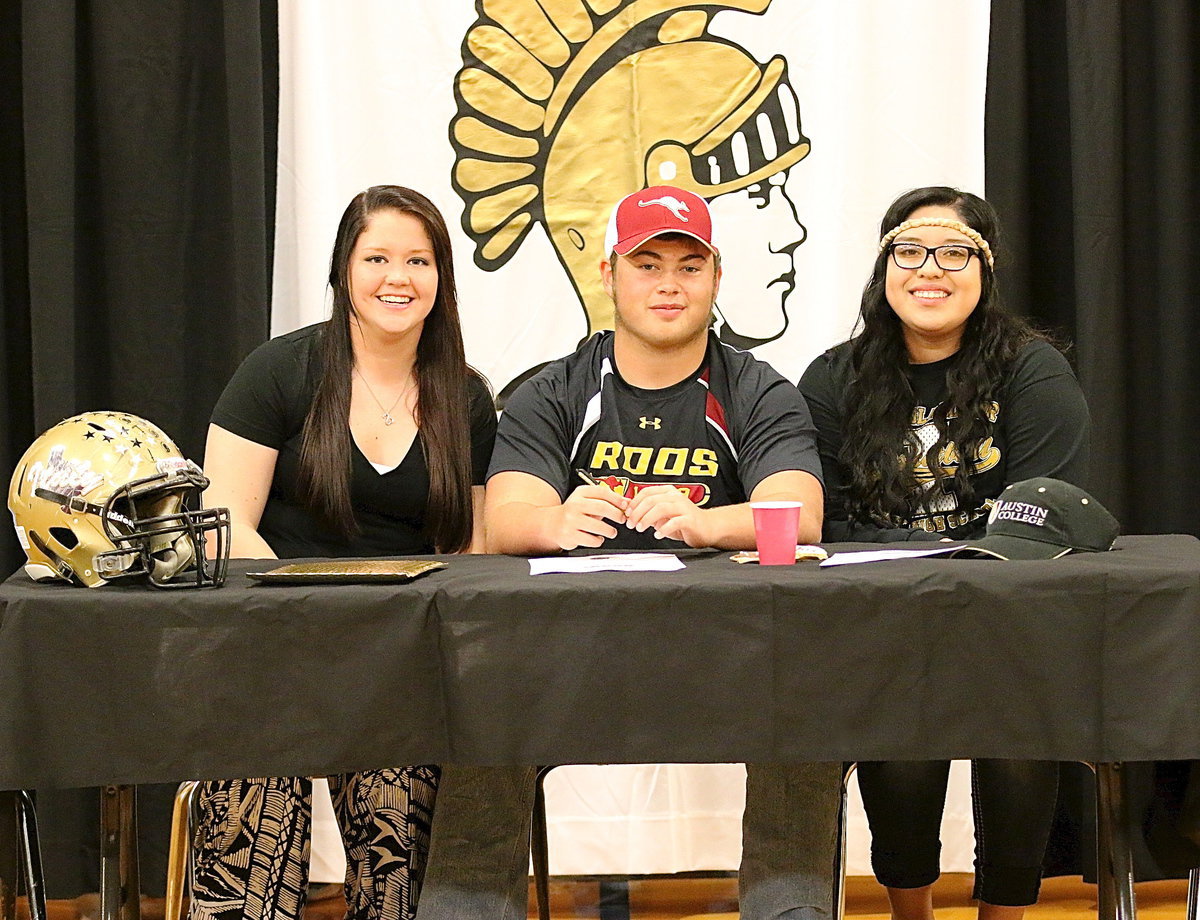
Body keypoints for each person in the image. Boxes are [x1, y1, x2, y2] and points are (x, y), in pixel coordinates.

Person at [416, 185, 840, 920]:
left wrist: (704, 522)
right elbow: (506, 521)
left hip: (727, 651)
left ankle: (789, 909)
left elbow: (800, 518)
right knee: (483, 691)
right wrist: (553, 520)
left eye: (688, 266)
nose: (669, 285)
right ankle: (463, 908)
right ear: (609, 275)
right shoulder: (557, 389)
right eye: (647, 265)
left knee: (806, 687)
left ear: (715, 278)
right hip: (569, 649)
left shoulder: (756, 389)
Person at [191, 185, 497, 920]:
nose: (399, 277)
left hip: (397, 658)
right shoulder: (279, 371)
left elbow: (471, 547)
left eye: (419, 260)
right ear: (342, 270)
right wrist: (307, 621)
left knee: (402, 825)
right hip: (270, 643)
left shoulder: (466, 399)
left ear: (441, 279)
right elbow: (221, 519)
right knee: (255, 800)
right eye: (378, 257)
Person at [798, 187, 1090, 920]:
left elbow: (1036, 520)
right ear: (884, 267)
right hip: (887, 614)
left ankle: (1004, 914)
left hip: (1010, 614)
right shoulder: (832, 379)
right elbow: (826, 522)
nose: (931, 269)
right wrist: (935, 552)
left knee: (1019, 725)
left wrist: (913, 547)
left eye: (956, 252)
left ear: (986, 272)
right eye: (910, 251)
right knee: (902, 723)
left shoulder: (1035, 373)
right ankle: (910, 913)